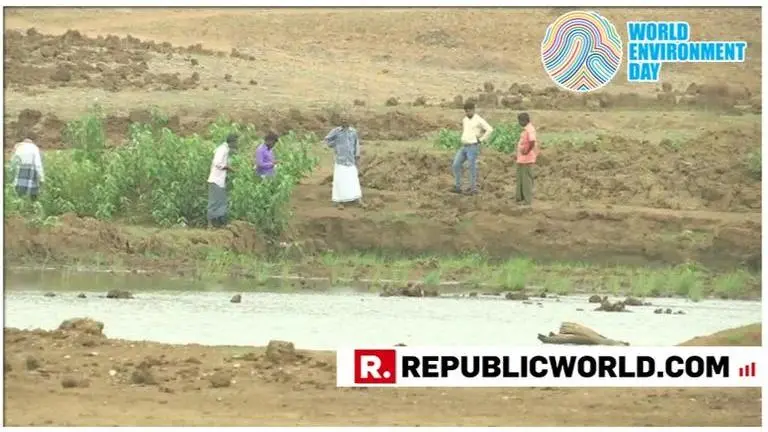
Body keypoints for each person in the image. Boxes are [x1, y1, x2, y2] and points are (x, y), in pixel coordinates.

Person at [453, 101, 493, 195]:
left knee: (472, 167)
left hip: (472, 146)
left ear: (473, 110)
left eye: (469, 111)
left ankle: (473, 188)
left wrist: (481, 139)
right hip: (464, 146)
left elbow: (490, 129)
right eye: (466, 111)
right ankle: (458, 186)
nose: (468, 113)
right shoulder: (465, 120)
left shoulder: (478, 120)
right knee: (456, 165)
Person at [324, 114, 363, 208]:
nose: (344, 121)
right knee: (340, 181)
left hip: (350, 160)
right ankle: (339, 202)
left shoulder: (353, 132)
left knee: (353, 181)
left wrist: (357, 155)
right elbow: (327, 140)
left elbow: (356, 144)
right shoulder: (336, 131)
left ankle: (357, 199)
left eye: (346, 119)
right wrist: (335, 145)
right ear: (340, 121)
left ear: (350, 121)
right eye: (343, 119)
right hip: (340, 160)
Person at [207, 133, 237, 227]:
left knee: (221, 202)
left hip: (219, 180)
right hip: (216, 180)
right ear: (232, 142)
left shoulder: (225, 149)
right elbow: (217, 162)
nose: (236, 144)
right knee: (214, 202)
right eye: (236, 142)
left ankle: (219, 223)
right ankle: (210, 224)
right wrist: (228, 168)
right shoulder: (222, 149)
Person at [515, 112, 538, 207]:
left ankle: (527, 200)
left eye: (520, 121)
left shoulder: (530, 129)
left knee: (526, 180)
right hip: (522, 158)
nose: (519, 123)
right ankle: (520, 197)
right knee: (521, 178)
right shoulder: (526, 129)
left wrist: (526, 151)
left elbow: (532, 142)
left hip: (527, 159)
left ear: (525, 121)